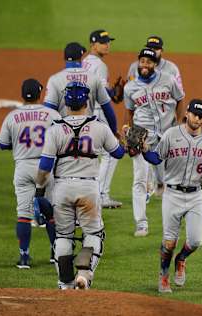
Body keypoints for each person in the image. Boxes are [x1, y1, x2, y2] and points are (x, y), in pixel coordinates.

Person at [35, 81, 125, 290]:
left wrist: (40, 188)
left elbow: (45, 166)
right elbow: (118, 153)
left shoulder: (55, 130)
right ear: (86, 102)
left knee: (63, 236)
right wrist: (125, 141)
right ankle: (84, 275)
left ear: (65, 103)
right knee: (93, 234)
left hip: (62, 188)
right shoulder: (99, 127)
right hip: (88, 189)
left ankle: (65, 283)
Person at [142, 98, 202, 293]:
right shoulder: (171, 135)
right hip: (172, 194)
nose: (197, 119)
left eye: (201, 116)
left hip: (196, 195)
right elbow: (157, 157)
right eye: (194, 114)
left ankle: (181, 259)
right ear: (187, 113)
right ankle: (163, 276)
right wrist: (145, 151)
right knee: (169, 241)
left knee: (196, 241)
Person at [0, 78, 61, 268]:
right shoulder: (52, 114)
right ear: (40, 94)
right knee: (51, 213)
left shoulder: (11, 116)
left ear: (22, 95)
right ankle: (55, 252)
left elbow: (2, 144)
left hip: (23, 167)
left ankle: (24, 257)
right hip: (47, 167)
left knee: (24, 214)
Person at [123, 48, 185, 237]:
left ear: (154, 64)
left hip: (167, 136)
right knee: (140, 180)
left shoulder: (168, 79)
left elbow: (180, 99)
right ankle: (141, 223)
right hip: (143, 137)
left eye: (148, 62)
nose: (144, 65)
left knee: (173, 179)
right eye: (142, 61)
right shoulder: (130, 87)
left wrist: (181, 124)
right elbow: (129, 111)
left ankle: (174, 221)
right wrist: (127, 129)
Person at [82, 29, 123, 209]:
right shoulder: (99, 65)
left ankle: (90, 193)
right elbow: (101, 93)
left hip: (84, 112)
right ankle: (101, 195)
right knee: (111, 151)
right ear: (93, 44)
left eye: (108, 41)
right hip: (98, 111)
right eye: (103, 42)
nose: (107, 45)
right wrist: (114, 92)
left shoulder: (84, 63)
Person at [43, 42, 118, 136]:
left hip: (64, 136)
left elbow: (47, 112)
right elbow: (108, 109)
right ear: (80, 57)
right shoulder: (93, 78)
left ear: (65, 58)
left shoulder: (54, 80)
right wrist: (114, 131)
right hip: (88, 135)